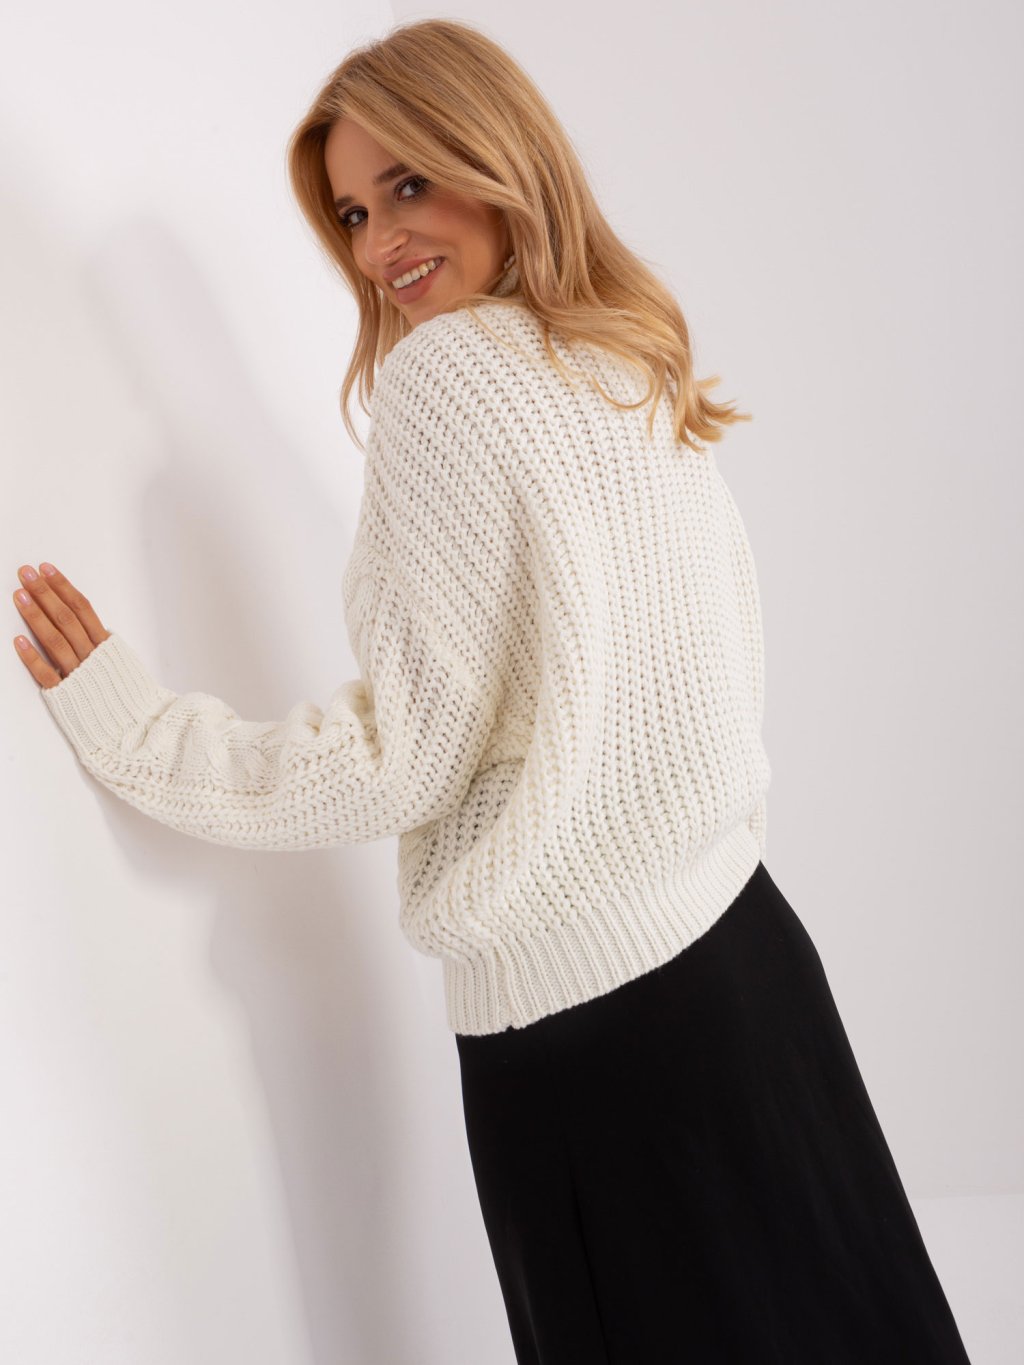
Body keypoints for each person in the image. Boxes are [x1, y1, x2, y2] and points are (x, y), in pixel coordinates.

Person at [12, 18, 972, 1364]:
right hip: (751, 967)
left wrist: (133, 727)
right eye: (354, 211)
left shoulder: (444, 382)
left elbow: (403, 757)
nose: (379, 244)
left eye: (409, 184)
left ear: (495, 154)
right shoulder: (625, 345)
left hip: (599, 1042)